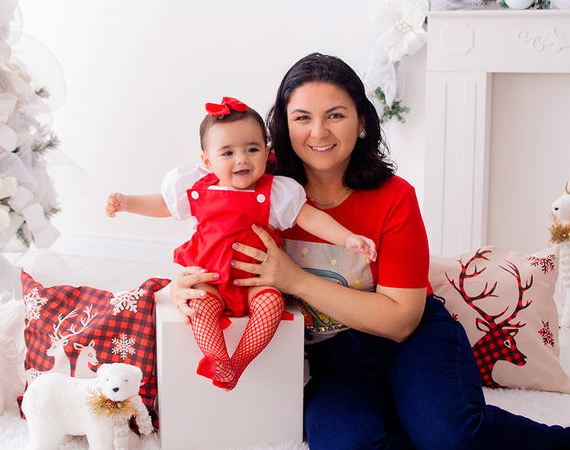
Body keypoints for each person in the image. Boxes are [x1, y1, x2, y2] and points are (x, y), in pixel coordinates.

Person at [169, 54, 570, 450]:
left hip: (412, 340)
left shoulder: (394, 197)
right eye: (301, 117)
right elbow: (200, 227)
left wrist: (294, 280)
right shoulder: (256, 181)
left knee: (459, 441)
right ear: (282, 126)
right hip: (332, 361)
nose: (318, 132)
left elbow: (400, 320)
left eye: (336, 115)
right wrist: (178, 286)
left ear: (363, 123)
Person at [107, 96, 377, 390]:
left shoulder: (275, 192)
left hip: (255, 281)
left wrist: (347, 238)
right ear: (207, 161)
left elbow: (311, 218)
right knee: (200, 306)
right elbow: (162, 205)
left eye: (252, 149)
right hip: (211, 278)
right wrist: (128, 202)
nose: (242, 159)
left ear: (266, 152)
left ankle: (239, 361)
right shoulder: (196, 188)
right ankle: (217, 357)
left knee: (272, 303)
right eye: (228, 152)